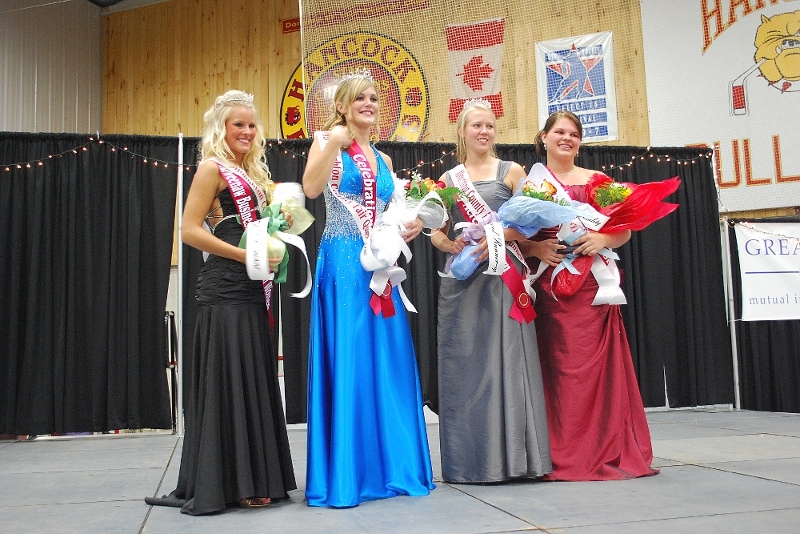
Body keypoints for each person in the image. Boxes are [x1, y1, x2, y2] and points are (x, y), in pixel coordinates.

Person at [145, 90, 296, 515]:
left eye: (251, 125)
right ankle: (229, 483)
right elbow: (190, 231)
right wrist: (243, 254)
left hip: (253, 288)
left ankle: (257, 478)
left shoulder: (253, 174)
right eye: (238, 125)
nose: (247, 132)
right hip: (224, 288)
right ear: (221, 129)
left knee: (252, 376)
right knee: (229, 379)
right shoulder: (211, 168)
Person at [301, 70, 435, 508]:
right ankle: (348, 473)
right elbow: (310, 188)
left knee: (386, 356)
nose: (368, 103)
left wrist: (409, 225)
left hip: (379, 264)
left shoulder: (384, 159)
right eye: (359, 97)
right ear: (342, 105)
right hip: (342, 262)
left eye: (374, 97)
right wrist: (336, 142)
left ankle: (392, 466)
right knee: (352, 354)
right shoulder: (327, 142)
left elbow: (390, 212)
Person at [528, 110, 659, 481]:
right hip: (549, 287)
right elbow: (519, 235)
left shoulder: (599, 181)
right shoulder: (532, 183)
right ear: (544, 137)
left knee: (590, 371)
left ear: (580, 141)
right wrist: (536, 249)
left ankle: (597, 446)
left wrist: (602, 238)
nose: (566, 138)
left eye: (573, 134)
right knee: (555, 369)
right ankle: (555, 449)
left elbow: (625, 230)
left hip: (590, 287)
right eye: (559, 132)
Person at [429, 99, 552, 483]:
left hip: (503, 274)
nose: (484, 132)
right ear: (463, 131)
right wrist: (444, 242)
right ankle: (471, 461)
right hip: (465, 279)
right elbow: (434, 225)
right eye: (476, 125)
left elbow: (532, 224)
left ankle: (515, 459)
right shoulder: (450, 180)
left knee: (508, 360)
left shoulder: (512, 171)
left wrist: (496, 235)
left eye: (490, 126)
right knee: (466, 366)